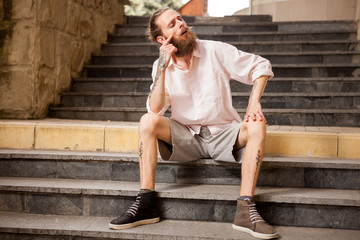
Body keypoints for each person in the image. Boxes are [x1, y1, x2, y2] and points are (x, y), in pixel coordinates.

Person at [109, 7, 279, 239]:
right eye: (172, 24)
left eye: (180, 19)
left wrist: (253, 101)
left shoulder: (214, 50)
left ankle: (245, 209)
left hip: (224, 135)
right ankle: (146, 202)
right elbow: (156, 109)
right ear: (162, 39)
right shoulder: (160, 67)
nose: (181, 24)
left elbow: (261, 65)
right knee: (147, 121)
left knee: (257, 123)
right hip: (186, 138)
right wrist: (162, 66)